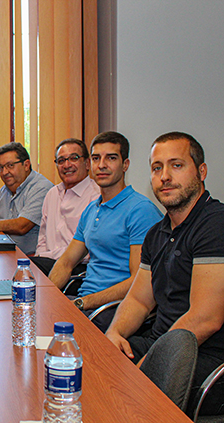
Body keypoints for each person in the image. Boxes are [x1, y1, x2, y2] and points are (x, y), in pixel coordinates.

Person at [106, 132, 224, 415]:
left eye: (177, 165)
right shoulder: (156, 234)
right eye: (157, 168)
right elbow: (139, 301)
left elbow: (206, 319)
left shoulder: (215, 224)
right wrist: (114, 333)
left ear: (201, 172)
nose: (164, 176)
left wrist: (152, 362)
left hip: (206, 359)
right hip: (159, 343)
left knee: (119, 395)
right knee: (91, 360)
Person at [48, 131, 163, 331]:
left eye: (111, 158)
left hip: (112, 310)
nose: (101, 165)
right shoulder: (91, 210)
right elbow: (66, 263)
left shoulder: (140, 210)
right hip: (84, 302)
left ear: (125, 164)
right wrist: (46, 295)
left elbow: (138, 282)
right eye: (96, 158)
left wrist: (83, 303)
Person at [30, 138, 99, 276]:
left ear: (87, 163)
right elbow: (42, 239)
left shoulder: (97, 197)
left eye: (74, 158)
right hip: (47, 264)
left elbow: (90, 250)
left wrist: (45, 258)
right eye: (61, 161)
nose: (67, 165)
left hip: (79, 269)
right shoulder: (52, 194)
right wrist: (41, 258)